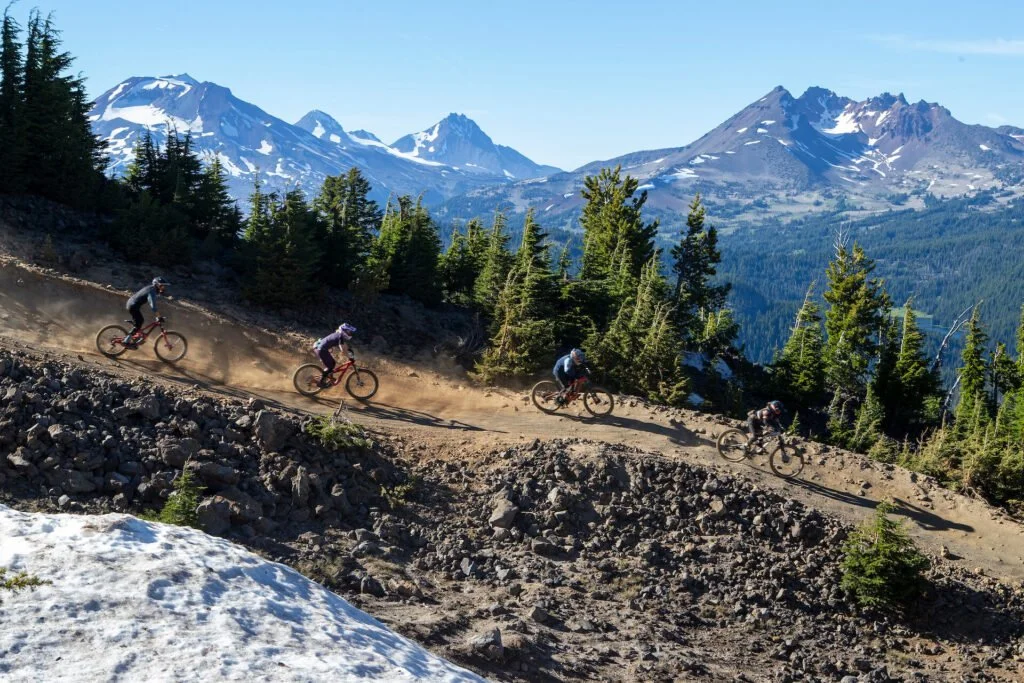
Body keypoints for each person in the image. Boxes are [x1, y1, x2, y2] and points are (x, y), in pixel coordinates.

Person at [125, 277, 169, 345]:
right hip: (132, 305)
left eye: (164, 286)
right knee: (140, 321)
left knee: (139, 322)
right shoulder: (152, 291)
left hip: (132, 304)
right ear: (157, 285)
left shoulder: (151, 288)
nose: (163, 288)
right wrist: (159, 316)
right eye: (162, 286)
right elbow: (153, 306)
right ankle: (126, 340)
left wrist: (158, 315)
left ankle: (135, 337)